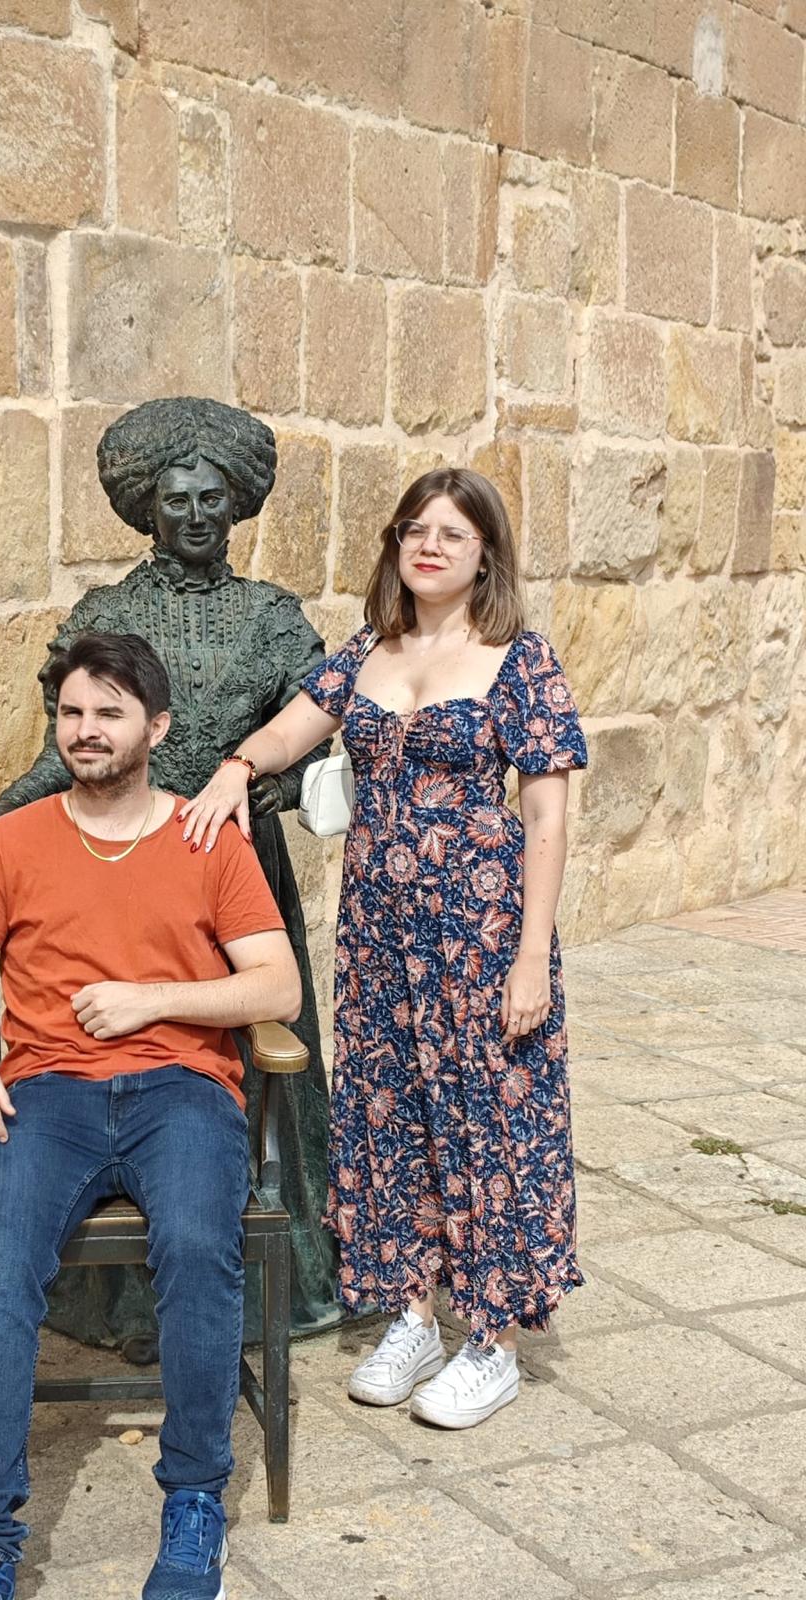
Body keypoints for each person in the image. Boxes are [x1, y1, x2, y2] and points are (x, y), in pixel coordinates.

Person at [181, 466, 588, 1431]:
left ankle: (493, 1341)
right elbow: (292, 730)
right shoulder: (368, 647)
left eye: (452, 533)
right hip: (378, 934)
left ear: (485, 553)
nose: (430, 547)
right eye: (415, 530)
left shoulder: (520, 660)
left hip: (480, 934)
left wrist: (532, 955)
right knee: (389, 1115)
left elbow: (546, 818)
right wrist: (237, 767)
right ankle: (413, 1315)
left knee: (490, 1124)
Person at [0, 630, 300, 1600]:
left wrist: (151, 999)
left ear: (156, 728)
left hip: (183, 1090)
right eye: (72, 712)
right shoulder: (10, 843)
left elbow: (278, 986)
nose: (85, 730)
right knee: (0, 1267)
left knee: (200, 1249)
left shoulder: (206, 840)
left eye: (108, 713)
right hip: (47, 1092)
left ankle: (194, 1501)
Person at [0, 397, 338, 1359]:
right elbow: (68, 752)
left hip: (231, 865)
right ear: (149, 508)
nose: (197, 514)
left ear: (236, 503)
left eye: (213, 497)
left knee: (254, 1057)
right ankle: (123, 1303)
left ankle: (272, 1287)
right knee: (117, 1061)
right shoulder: (107, 616)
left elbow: (318, 740)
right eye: (178, 499)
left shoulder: (272, 619)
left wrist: (255, 782)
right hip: (116, 873)